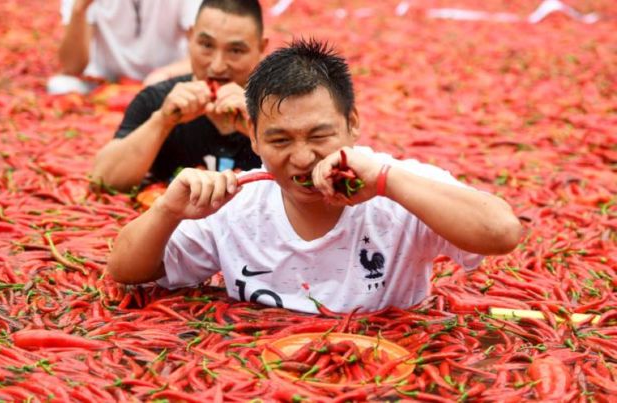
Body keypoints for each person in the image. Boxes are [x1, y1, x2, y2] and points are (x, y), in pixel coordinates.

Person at [108, 39, 523, 314]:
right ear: (252, 136)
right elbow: (125, 270)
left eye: (320, 135)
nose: (302, 158)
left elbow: (502, 232)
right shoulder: (238, 203)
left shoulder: (398, 187)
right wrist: (167, 211)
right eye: (280, 140)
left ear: (352, 123)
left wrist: (386, 182)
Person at [92, 0, 267, 191]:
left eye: (235, 50)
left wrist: (259, 128)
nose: (217, 66)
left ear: (261, 48)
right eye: (206, 45)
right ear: (190, 37)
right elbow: (103, 181)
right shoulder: (157, 101)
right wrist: (162, 122)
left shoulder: (279, 107)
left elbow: (301, 183)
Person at [47, 0, 201, 95]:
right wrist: (79, 9)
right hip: (105, 84)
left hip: (165, 82)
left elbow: (204, 55)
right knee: (60, 86)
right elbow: (71, 67)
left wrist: (165, 74)